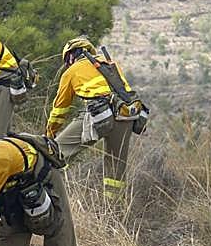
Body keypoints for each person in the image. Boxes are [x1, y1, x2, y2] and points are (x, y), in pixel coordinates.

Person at [45, 36, 148, 200]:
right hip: (126, 117)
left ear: (71, 55)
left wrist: (50, 133)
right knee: (115, 172)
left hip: (98, 116)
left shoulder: (71, 72)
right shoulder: (111, 64)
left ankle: (49, 197)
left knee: (55, 155)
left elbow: (60, 110)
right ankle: (115, 212)